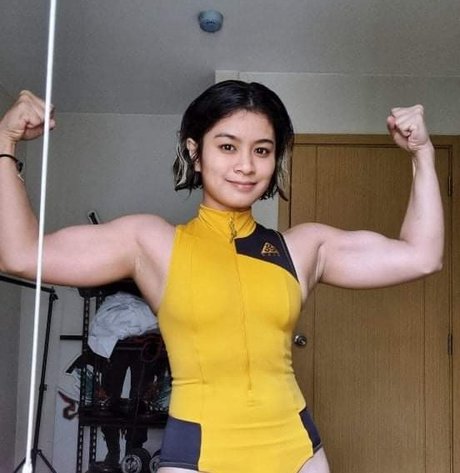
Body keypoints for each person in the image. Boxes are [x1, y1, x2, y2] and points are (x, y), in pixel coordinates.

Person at [0, 81, 443, 473]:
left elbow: (421, 256)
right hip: (197, 457)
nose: (246, 165)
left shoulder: (302, 248)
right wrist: (6, 141)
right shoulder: (151, 243)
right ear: (195, 152)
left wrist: (423, 155)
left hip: (297, 454)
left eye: (262, 150)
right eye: (228, 146)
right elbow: (19, 255)